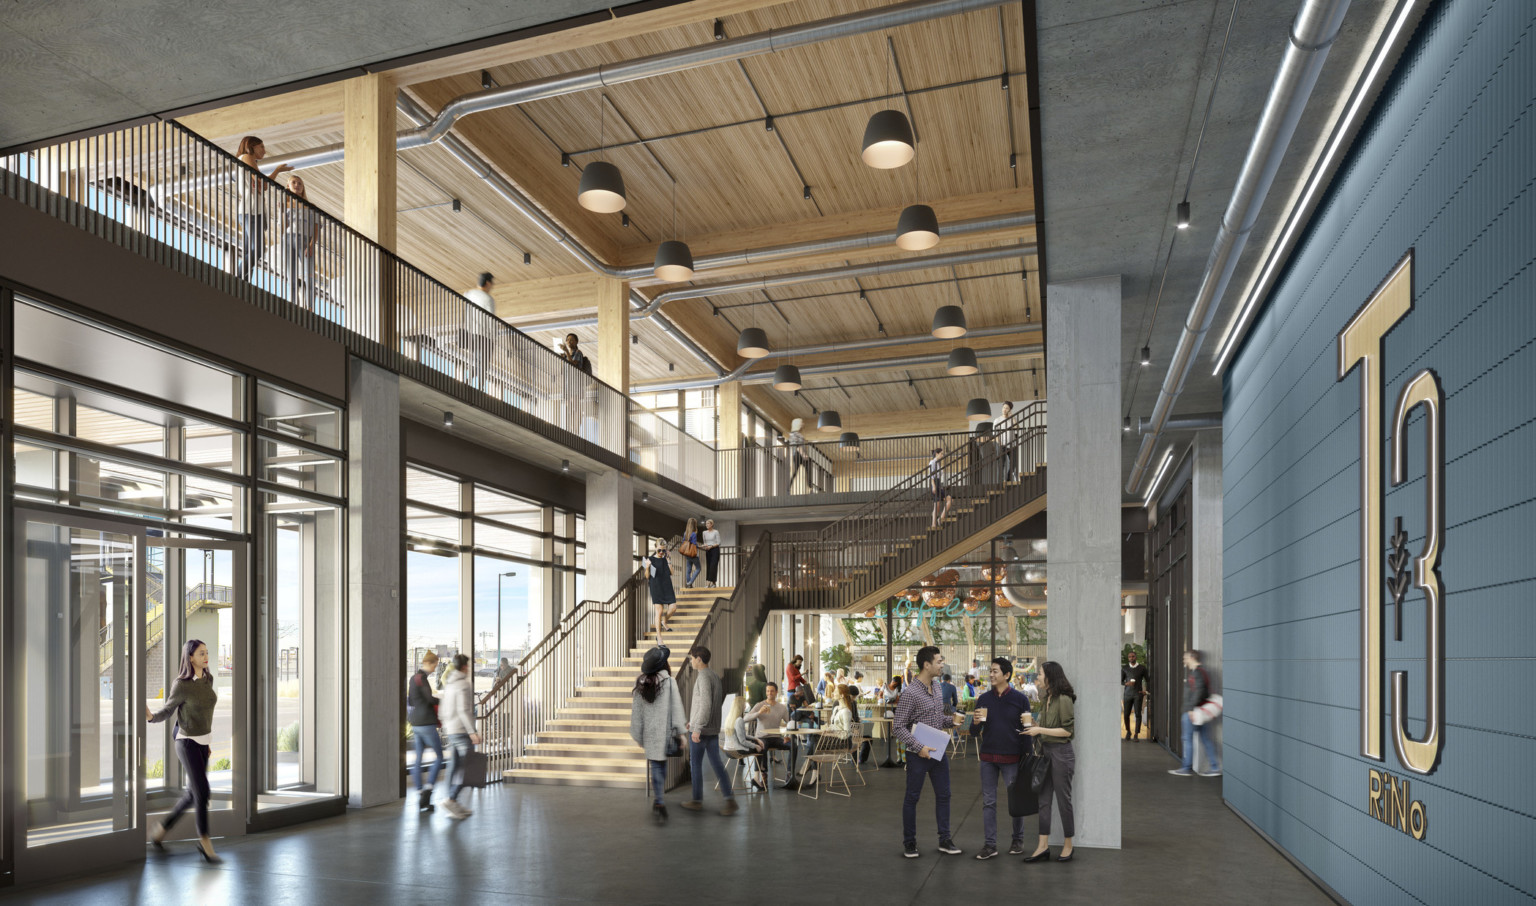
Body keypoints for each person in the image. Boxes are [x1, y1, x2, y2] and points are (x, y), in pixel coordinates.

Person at [145, 639, 222, 862]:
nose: (206, 657)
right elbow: (168, 710)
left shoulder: (208, 679)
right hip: (186, 742)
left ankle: (161, 829)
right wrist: (151, 717)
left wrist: (206, 742)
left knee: (192, 794)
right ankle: (205, 841)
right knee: (202, 792)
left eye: (207, 653)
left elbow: (206, 714)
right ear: (190, 658)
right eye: (201, 654)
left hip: (201, 742)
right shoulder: (181, 684)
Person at [894, 645, 962, 858]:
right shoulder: (910, 693)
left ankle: (944, 839)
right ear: (927, 664)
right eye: (939, 661)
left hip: (938, 750)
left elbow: (937, 719)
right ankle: (910, 842)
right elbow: (898, 726)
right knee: (912, 797)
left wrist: (952, 720)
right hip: (918, 754)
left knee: (944, 795)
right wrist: (918, 748)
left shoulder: (938, 687)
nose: (942, 665)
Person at [968, 657, 1032, 859]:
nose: (991, 674)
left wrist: (1027, 757)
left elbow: (1027, 730)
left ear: (1006, 675)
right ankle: (990, 845)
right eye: (990, 671)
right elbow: (974, 732)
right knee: (988, 802)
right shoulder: (984, 699)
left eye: (995, 671)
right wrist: (976, 722)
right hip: (988, 757)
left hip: (1012, 758)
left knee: (1016, 801)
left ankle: (1017, 839)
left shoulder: (1020, 700)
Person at [1022, 660, 1076, 862]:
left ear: (1051, 676)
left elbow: (1067, 731)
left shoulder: (1064, 699)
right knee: (1043, 800)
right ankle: (1042, 846)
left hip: (1062, 754)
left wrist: (1040, 730)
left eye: (1041, 674)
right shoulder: (1047, 699)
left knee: (1064, 800)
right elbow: (1046, 728)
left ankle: (1068, 845)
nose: (1038, 677)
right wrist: (1034, 725)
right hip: (1046, 753)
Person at [630, 644, 686, 823]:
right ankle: (659, 801)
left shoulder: (641, 683)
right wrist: (681, 732)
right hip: (666, 732)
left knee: (655, 765)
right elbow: (676, 708)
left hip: (650, 732)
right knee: (661, 766)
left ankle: (659, 801)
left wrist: (638, 734)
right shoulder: (669, 682)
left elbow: (636, 711)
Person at [683, 645, 738, 815]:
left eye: (692, 658)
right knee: (717, 765)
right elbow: (709, 705)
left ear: (699, 659)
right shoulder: (714, 676)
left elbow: (706, 705)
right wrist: (692, 722)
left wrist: (697, 728)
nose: (691, 661)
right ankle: (729, 800)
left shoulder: (703, 677)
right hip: (712, 730)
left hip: (702, 731)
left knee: (696, 765)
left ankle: (697, 801)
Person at [233, 136, 292, 280]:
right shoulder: (246, 157)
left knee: (250, 250)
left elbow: (263, 185)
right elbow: (262, 182)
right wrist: (277, 170)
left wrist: (274, 174)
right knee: (258, 250)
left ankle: (244, 281)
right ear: (251, 146)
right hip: (252, 209)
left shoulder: (246, 160)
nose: (264, 151)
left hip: (250, 210)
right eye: (262, 147)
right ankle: (239, 278)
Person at [438, 654, 481, 819]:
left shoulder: (449, 684)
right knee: (468, 767)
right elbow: (464, 710)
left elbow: (443, 710)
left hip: (451, 730)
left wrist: (447, 726)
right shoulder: (464, 684)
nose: (469, 669)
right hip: (462, 732)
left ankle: (452, 803)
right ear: (464, 667)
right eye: (468, 666)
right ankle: (451, 799)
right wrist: (472, 731)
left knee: (454, 766)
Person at [1170, 649, 1221, 777]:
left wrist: (1191, 709)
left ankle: (1186, 768)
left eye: (1185, 657)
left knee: (1187, 739)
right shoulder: (1199, 672)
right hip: (1199, 712)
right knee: (1205, 739)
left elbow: (1199, 691)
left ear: (1192, 657)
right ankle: (1214, 767)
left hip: (1193, 712)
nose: (1184, 660)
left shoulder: (1197, 673)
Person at [406, 651, 444, 813]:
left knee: (418, 758)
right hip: (426, 722)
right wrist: (442, 700)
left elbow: (412, 700)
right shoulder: (422, 679)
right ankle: (428, 789)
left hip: (415, 722)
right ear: (428, 663)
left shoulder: (413, 679)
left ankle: (421, 793)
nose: (435, 668)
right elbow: (429, 699)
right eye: (434, 665)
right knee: (439, 756)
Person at [279, 176, 319, 309]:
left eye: (300, 183)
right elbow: (284, 227)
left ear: (303, 187)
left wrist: (312, 244)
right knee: (291, 274)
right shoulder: (286, 205)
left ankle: (310, 307)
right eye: (294, 182)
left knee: (309, 276)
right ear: (288, 185)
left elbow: (316, 227)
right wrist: (282, 210)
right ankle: (293, 304)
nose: (297, 185)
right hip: (289, 238)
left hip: (306, 241)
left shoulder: (311, 207)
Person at [744, 681, 791, 789]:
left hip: (776, 737)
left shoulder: (782, 707)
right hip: (762, 737)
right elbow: (745, 719)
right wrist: (759, 713)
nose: (769, 693)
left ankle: (789, 774)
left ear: (776, 692)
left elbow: (789, 722)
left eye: (772, 691)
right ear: (766, 692)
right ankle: (763, 775)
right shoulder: (759, 705)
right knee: (762, 746)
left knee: (793, 745)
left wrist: (788, 735)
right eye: (768, 691)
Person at [647, 538, 677, 633]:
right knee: (659, 611)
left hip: (667, 585)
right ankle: (658, 636)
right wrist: (647, 567)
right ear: (655, 548)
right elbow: (647, 576)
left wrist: (669, 560)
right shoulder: (650, 560)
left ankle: (664, 621)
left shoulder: (666, 559)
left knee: (673, 608)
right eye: (659, 550)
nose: (661, 552)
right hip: (656, 586)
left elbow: (672, 573)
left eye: (663, 550)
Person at [1122, 649, 1149, 740]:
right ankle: (1128, 731)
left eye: (1133, 656)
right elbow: (1120, 681)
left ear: (1135, 657)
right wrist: (1127, 683)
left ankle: (1136, 734)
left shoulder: (1142, 668)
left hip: (1138, 694)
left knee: (1138, 714)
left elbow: (1148, 680)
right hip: (1127, 694)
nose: (1131, 658)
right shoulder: (1125, 668)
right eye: (1129, 657)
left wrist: (1146, 691)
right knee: (1126, 714)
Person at [779, 418, 808, 490]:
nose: (802, 424)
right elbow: (798, 446)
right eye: (801, 423)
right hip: (798, 454)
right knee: (801, 471)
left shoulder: (794, 434)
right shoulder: (795, 434)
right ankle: (790, 488)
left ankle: (790, 488)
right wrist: (803, 454)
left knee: (799, 471)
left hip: (797, 454)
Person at [928, 447, 954, 527]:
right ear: (937, 454)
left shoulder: (938, 463)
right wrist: (934, 486)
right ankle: (933, 524)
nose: (942, 455)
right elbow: (931, 475)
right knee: (937, 506)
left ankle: (940, 518)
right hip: (935, 483)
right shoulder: (932, 462)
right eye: (941, 454)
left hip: (939, 484)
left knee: (950, 499)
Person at [700, 518, 723, 587]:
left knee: (713, 566)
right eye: (706, 523)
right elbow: (705, 542)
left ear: (711, 524)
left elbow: (719, 542)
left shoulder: (716, 532)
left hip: (715, 549)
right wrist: (704, 546)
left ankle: (708, 582)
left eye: (708, 523)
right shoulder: (704, 532)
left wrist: (711, 546)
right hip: (708, 550)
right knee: (709, 566)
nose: (706, 525)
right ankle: (714, 583)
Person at [681, 517, 702, 588]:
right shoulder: (694, 534)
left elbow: (683, 542)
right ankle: (690, 582)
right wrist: (699, 546)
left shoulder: (685, 533)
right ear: (694, 525)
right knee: (698, 568)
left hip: (687, 553)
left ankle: (689, 585)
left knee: (688, 570)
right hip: (693, 554)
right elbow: (694, 544)